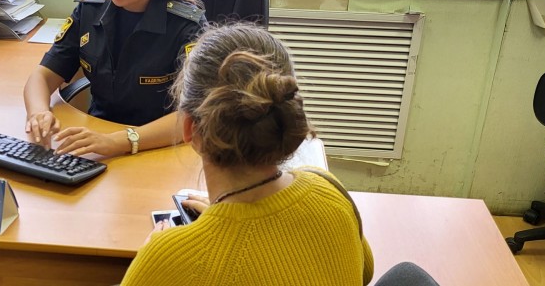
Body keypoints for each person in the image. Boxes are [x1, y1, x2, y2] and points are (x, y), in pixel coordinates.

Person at [121, 23, 374, 286]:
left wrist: (155, 259)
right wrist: (230, 220)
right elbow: (364, 271)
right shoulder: (329, 189)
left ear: (190, 129)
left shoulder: (173, 258)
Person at [24, 0, 206, 158]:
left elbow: (194, 115)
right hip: (97, 146)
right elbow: (41, 77)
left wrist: (119, 141)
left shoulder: (186, 26)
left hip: (159, 152)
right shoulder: (89, 11)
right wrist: (38, 112)